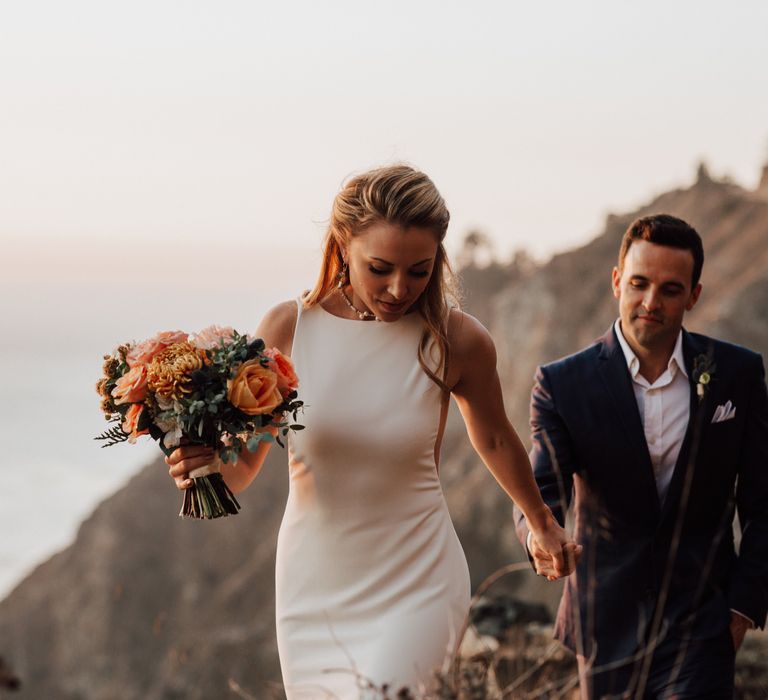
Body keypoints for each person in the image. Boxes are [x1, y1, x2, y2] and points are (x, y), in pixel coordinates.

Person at [166, 164, 579, 698]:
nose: (399, 289)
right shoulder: (288, 330)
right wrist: (200, 464)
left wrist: (543, 523)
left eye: (420, 271)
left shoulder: (458, 340)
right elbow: (243, 469)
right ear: (342, 246)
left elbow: (496, 438)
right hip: (313, 588)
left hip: (419, 581)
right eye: (380, 268)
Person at [515, 214, 768, 699]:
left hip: (702, 622)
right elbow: (541, 490)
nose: (651, 302)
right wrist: (537, 539)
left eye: (671, 290)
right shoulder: (563, 385)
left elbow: (762, 502)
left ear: (694, 295)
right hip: (605, 624)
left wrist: (744, 607)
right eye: (639, 283)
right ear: (616, 282)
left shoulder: (737, 374)